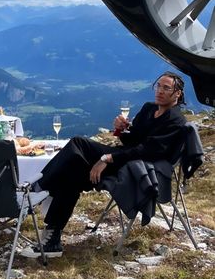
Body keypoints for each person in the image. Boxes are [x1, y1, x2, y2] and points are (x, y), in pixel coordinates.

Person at [21, 71, 187, 258]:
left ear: (177, 94)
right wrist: (120, 129)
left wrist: (106, 159)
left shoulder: (176, 120)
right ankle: (52, 239)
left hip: (137, 166)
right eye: (159, 86)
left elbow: (147, 151)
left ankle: (36, 190)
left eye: (167, 88)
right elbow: (132, 140)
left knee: (78, 143)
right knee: (73, 173)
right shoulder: (149, 108)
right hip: (126, 156)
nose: (160, 91)